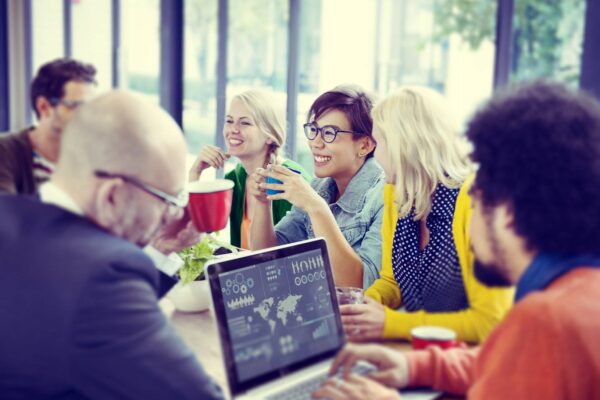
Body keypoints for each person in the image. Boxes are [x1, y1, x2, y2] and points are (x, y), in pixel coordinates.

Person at [313, 82, 600, 399]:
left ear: (509, 211)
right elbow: (497, 364)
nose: (469, 222)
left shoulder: (545, 321)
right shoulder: (579, 295)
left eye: (477, 203)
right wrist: (415, 367)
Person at [0, 90, 224, 399]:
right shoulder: (100, 278)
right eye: (167, 200)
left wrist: (160, 249)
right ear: (112, 196)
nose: (173, 213)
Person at [340, 86, 513, 343]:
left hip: (476, 364)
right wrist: (363, 306)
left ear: (405, 146)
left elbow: (490, 323)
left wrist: (391, 323)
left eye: (379, 143)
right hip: (425, 356)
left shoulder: (476, 201)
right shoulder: (395, 191)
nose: (375, 154)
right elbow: (392, 280)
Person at [249, 84, 385, 288]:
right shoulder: (320, 186)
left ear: (364, 145)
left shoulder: (385, 196)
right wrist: (262, 202)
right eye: (314, 130)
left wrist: (317, 208)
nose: (315, 142)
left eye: (329, 133)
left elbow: (360, 285)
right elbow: (268, 258)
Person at [189, 89, 309, 249]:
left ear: (270, 135)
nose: (233, 129)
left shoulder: (290, 180)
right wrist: (194, 173)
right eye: (229, 121)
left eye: (245, 123)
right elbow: (197, 237)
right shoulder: (234, 179)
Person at [0, 58, 97, 194]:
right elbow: (6, 211)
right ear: (44, 107)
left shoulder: (95, 156)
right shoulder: (5, 151)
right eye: (78, 107)